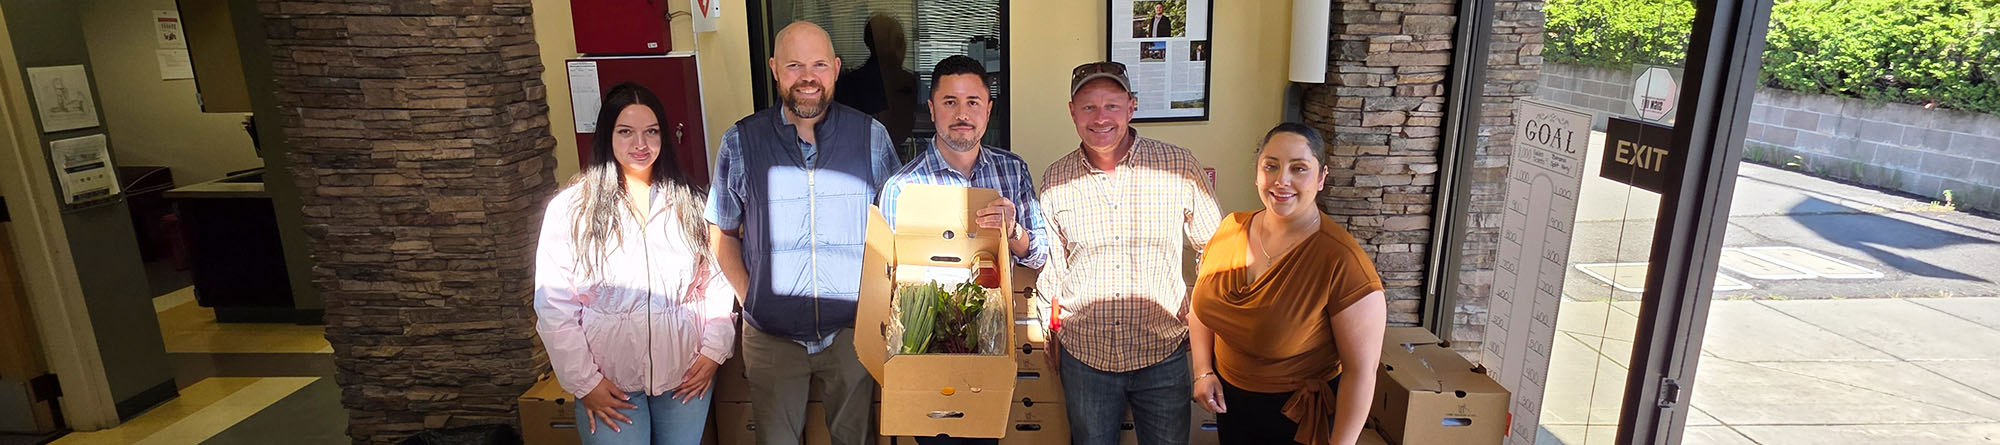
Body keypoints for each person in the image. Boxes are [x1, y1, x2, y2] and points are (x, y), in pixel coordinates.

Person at [706, 21, 902, 445]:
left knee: (855, 440)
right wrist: (752, 299)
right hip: (771, 339)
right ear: (775, 69)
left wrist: (875, 308)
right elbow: (721, 233)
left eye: (818, 65)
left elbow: (894, 231)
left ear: (835, 69)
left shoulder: (870, 137)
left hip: (853, 335)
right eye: (794, 65)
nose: (807, 77)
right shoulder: (741, 141)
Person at [535, 82, 735, 445]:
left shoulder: (690, 201)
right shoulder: (571, 210)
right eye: (625, 132)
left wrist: (713, 352)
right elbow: (553, 306)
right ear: (606, 135)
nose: (640, 145)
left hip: (684, 378)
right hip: (609, 386)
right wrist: (586, 382)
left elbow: (717, 283)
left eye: (651, 132)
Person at [1036, 60, 1221, 445]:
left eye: (1112, 105)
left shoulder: (1178, 165)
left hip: (1163, 354)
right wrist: (1047, 330)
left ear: (1132, 107)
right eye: (1088, 106)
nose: (1100, 118)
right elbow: (1053, 267)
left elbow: (1215, 250)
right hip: (1085, 356)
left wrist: (1201, 320)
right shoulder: (1055, 179)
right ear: (1072, 111)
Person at [878, 56, 1048, 445]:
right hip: (928, 346)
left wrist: (1014, 230)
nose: (962, 114)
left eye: (973, 102)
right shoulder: (902, 188)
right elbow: (885, 281)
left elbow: (1039, 255)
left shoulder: (1013, 171)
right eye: (950, 102)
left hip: (993, 341)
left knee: (986, 434)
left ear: (988, 109)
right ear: (932, 109)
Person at [1188, 123, 1387, 445]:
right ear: (1257, 173)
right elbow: (1201, 308)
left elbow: (1361, 373)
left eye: (1299, 168)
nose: (1282, 180)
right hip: (1231, 405)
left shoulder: (1342, 261)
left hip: (1296, 419)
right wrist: (1203, 371)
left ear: (1321, 178)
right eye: (1271, 166)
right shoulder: (1230, 229)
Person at [833, 14, 918, 158]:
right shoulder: (853, 83)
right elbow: (888, 130)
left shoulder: (909, 82)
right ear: (874, 43)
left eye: (901, 39)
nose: (903, 45)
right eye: (896, 40)